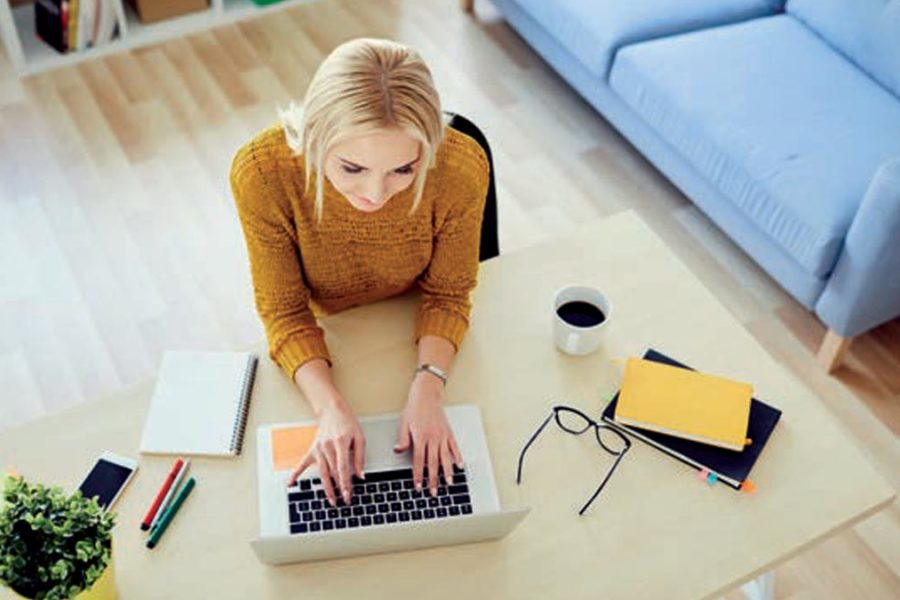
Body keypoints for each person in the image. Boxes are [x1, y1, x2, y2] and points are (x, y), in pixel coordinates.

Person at [230, 38, 490, 510]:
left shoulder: (458, 168)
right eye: (352, 167)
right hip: (331, 336)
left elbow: (449, 294)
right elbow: (285, 312)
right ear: (313, 136)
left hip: (413, 330)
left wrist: (429, 388)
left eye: (403, 169)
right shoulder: (263, 176)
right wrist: (329, 408)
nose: (376, 192)